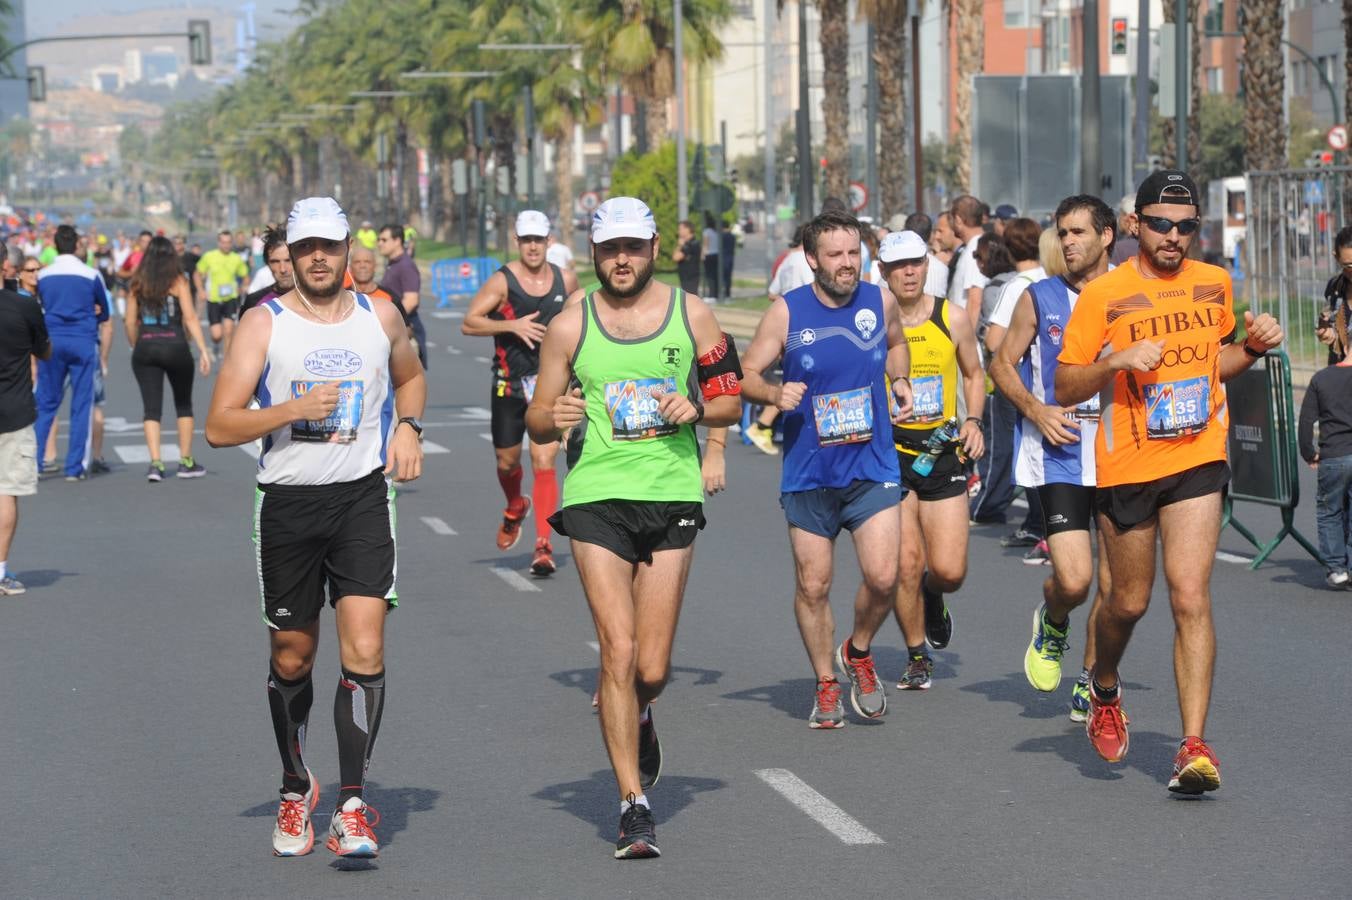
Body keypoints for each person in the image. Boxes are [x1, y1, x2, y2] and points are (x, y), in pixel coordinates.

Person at [205, 197, 426, 859]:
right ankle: (296, 782)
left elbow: (411, 377)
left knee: (365, 651)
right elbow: (219, 425)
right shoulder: (263, 325)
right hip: (290, 506)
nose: (319, 258)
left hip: (360, 499)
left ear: (346, 247)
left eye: (329, 246)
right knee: (292, 656)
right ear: (291, 257)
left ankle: (352, 804)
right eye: (306, 249)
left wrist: (409, 427)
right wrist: (293, 409)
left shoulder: (378, 314)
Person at [525, 196, 742, 859]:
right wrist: (554, 415)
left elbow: (730, 397)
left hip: (671, 493)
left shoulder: (691, 314)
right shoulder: (570, 325)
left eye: (633, 247)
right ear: (594, 254)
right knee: (616, 653)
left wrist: (697, 407)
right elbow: (535, 418)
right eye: (610, 248)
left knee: (651, 667)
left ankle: (640, 709)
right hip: (595, 497)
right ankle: (633, 804)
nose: (622, 259)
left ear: (654, 249)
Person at [1055, 170, 1284, 794]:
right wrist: (1117, 362)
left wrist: (1255, 349)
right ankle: (1104, 684)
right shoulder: (1105, 294)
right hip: (1128, 467)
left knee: (1190, 596)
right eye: (1160, 224)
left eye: (1186, 227)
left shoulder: (1214, 283)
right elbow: (1066, 383)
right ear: (1134, 226)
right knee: (1128, 602)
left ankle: (1193, 746)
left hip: (1198, 455)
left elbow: (1220, 363)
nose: (1174, 237)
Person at [740, 209, 914, 729]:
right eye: (835, 255)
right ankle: (825, 682)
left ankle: (858, 651)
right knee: (814, 586)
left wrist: (900, 379)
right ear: (811, 259)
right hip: (809, 470)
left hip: (872, 463)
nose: (847, 263)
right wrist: (773, 392)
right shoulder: (787, 313)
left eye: (853, 252)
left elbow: (897, 343)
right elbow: (743, 374)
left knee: (885, 578)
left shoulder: (879, 299)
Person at [989, 195, 1115, 721]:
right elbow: (1000, 364)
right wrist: (1037, 410)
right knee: (1076, 581)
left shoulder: (1130, 294)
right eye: (1061, 233)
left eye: (1078, 232)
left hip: (1118, 457)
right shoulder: (1038, 297)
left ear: (1106, 236)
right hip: (1059, 456)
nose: (1067, 242)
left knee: (1115, 589)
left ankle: (1091, 680)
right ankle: (1054, 619)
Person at [878, 230, 984, 690]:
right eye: (898, 265)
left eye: (915, 263)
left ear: (926, 266)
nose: (908, 272)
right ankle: (917, 653)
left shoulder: (952, 317)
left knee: (949, 569)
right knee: (904, 562)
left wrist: (975, 420)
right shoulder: (871, 323)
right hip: (890, 455)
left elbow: (974, 373)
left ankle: (933, 594)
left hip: (942, 453)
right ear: (882, 272)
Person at [462, 210, 579, 575]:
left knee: (544, 462)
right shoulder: (502, 281)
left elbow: (583, 323)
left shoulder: (566, 279)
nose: (532, 246)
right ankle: (515, 506)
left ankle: (543, 545)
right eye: (526, 240)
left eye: (538, 240)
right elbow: (470, 322)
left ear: (548, 242)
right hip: (509, 384)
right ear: (517, 241)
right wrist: (512, 325)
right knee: (507, 462)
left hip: (549, 385)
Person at [976, 218, 1050, 548]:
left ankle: (1036, 523)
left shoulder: (1018, 285)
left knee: (1027, 449)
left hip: (1019, 378)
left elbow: (994, 341)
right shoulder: (1054, 278)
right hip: (1054, 377)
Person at [125, 236, 212, 481]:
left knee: (151, 408)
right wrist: (203, 349)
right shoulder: (178, 281)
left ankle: (156, 463)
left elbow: (130, 321)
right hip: (175, 345)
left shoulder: (137, 283)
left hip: (146, 345)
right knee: (183, 403)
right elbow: (190, 317)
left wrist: (135, 343)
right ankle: (185, 460)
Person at [34, 225, 110, 481]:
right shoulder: (90, 274)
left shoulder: (44, 275)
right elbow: (105, 311)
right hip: (82, 341)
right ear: (77, 244)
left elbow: (40, 305)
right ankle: (74, 467)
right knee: (81, 405)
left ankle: (34, 463)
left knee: (46, 403)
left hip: (52, 341)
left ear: (54, 245)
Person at [0, 238, 51, 595]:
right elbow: (44, 351)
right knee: (5, 493)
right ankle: (0, 570)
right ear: (6, 265)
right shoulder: (25, 306)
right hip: (14, 410)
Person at [1298, 349, 1352, 588]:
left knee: (1330, 511)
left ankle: (1337, 568)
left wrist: (1308, 452)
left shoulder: (1321, 378)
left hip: (1333, 454)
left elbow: (1306, 421)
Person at [378, 223, 427, 370]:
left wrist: (387, 320)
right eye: (379, 240)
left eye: (384, 240)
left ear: (397, 241)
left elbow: (411, 300)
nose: (379, 243)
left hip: (406, 329)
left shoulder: (406, 265)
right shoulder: (393, 264)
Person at [195, 230, 249, 358]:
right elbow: (197, 274)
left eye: (228, 242)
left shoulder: (236, 258)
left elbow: (245, 276)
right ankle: (216, 343)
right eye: (223, 242)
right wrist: (201, 290)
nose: (226, 245)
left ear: (232, 243)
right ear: (219, 243)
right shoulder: (209, 256)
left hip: (231, 298)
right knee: (216, 335)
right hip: (213, 299)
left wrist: (242, 288)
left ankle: (227, 360)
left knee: (229, 329)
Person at [1316, 224, 1352, 364]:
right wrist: (1326, 333)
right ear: (1336, 258)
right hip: (1340, 373)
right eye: (1348, 265)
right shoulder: (1334, 287)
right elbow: (1326, 320)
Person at [241, 226, 296, 316]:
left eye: (288, 260)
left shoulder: (318, 299)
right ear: (267, 264)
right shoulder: (254, 302)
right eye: (275, 262)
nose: (283, 269)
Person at [947, 195, 989, 311]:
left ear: (958, 220)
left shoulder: (974, 251)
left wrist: (968, 329)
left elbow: (975, 300)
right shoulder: (976, 246)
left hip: (964, 326)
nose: (950, 225)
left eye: (951, 219)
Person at [672, 220, 701, 297]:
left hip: (690, 277)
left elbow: (676, 257)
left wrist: (680, 246)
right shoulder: (690, 243)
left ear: (687, 230)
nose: (678, 232)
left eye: (680, 229)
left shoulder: (691, 244)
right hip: (686, 276)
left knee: (690, 298)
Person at [701, 211, 721, 302]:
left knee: (709, 276)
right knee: (715, 275)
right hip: (716, 255)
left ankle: (711, 295)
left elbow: (706, 244)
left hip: (709, 255)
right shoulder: (716, 232)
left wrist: (702, 255)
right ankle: (715, 294)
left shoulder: (707, 232)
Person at [720, 218, 736, 297]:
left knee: (722, 276)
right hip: (730, 257)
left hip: (723, 258)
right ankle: (727, 293)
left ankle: (722, 293)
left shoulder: (722, 236)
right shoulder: (732, 236)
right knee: (728, 277)